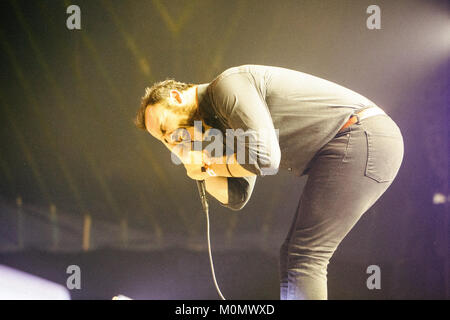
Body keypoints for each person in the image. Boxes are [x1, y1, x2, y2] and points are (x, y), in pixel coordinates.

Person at [134, 64, 404, 300]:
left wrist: (208, 163)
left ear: (176, 96)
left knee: (306, 255)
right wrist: (201, 171)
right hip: (348, 145)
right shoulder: (216, 125)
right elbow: (237, 195)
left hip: (363, 135)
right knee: (293, 255)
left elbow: (265, 159)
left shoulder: (227, 87)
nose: (169, 140)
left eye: (164, 128)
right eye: (162, 140)